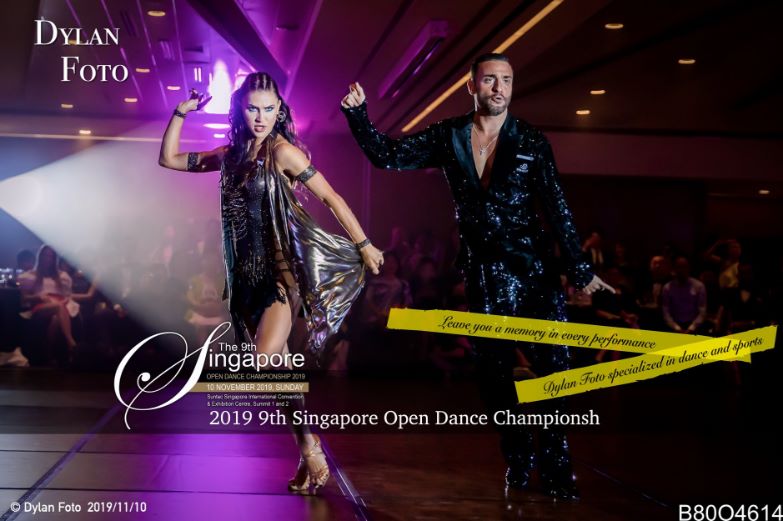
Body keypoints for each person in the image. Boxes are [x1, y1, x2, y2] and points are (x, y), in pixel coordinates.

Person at [341, 53, 612, 499]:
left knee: (554, 369)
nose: (499, 88)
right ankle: (519, 458)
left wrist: (581, 270)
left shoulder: (531, 141)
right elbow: (388, 155)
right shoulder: (448, 136)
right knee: (494, 376)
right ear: (472, 86)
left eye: (507, 79)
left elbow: (557, 205)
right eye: (490, 80)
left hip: (535, 271)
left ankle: (557, 467)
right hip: (484, 274)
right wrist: (358, 117)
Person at [158, 72, 383, 494]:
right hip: (243, 278)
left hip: (280, 274)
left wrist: (364, 243)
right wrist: (180, 112)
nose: (260, 116)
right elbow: (169, 159)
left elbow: (331, 197)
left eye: (268, 108)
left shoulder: (283, 152)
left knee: (263, 363)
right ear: (240, 110)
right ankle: (307, 445)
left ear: (279, 110)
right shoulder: (229, 155)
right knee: (277, 373)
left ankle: (309, 445)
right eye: (252, 108)